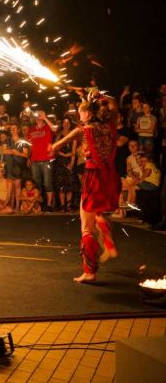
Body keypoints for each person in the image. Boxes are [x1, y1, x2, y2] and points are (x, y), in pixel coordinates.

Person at [51, 91, 119, 284]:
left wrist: (53, 147)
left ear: (87, 114)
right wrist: (98, 96)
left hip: (93, 176)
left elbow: (59, 144)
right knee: (99, 213)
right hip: (110, 177)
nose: (79, 116)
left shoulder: (83, 130)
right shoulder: (111, 125)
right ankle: (108, 242)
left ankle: (89, 271)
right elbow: (113, 104)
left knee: (86, 227)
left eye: (81, 112)